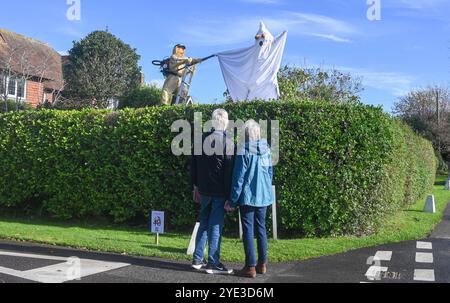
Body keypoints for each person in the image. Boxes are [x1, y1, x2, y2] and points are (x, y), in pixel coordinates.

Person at [225, 120, 274, 278]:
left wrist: (232, 200)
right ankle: (262, 264)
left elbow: (238, 178)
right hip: (264, 195)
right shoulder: (267, 150)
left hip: (247, 197)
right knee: (261, 229)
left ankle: (250, 267)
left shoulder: (243, 150)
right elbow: (269, 173)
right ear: (258, 133)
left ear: (245, 134)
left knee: (248, 230)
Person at [190, 109, 235, 275]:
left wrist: (195, 186)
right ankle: (213, 262)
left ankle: (197, 259)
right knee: (215, 226)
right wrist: (231, 196)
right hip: (219, 192)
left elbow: (193, 166)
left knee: (204, 223)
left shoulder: (200, 140)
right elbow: (229, 173)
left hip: (204, 190)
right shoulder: (228, 143)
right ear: (225, 123)